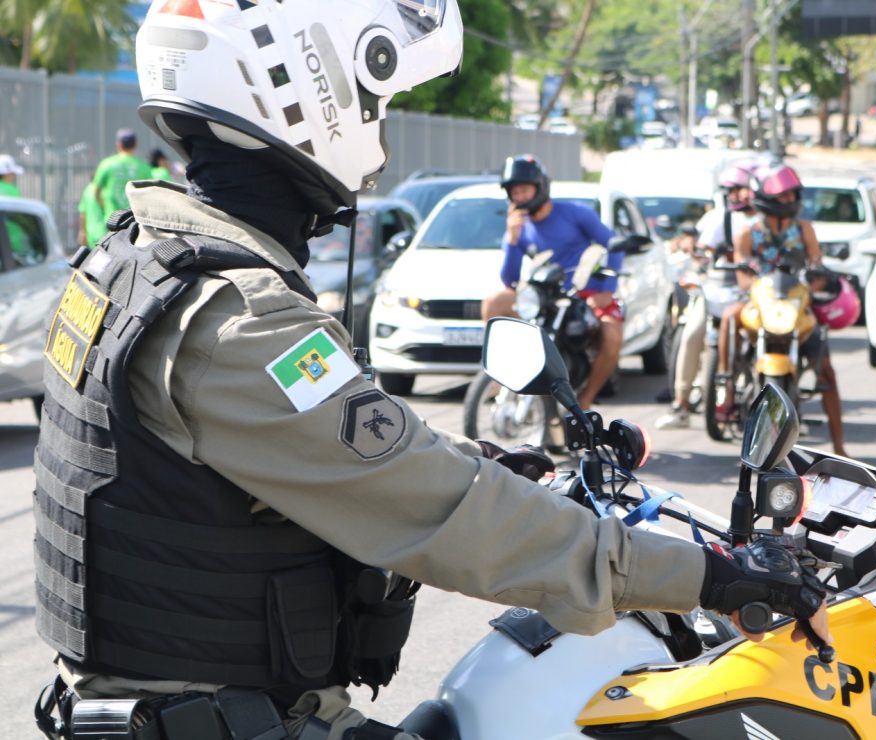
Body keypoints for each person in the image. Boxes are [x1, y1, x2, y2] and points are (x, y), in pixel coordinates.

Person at [31, 4, 832, 738]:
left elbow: (293, 458)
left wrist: (473, 459)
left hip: (155, 704)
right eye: (372, 101)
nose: (377, 127)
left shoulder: (129, 259)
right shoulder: (239, 323)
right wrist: (710, 575)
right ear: (308, 96)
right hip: (225, 718)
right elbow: (448, 515)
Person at [716, 165, 850, 457]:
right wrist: (757, 286)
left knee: (826, 368)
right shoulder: (747, 233)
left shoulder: (804, 229)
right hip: (760, 304)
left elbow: (816, 265)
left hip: (796, 306)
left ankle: (839, 444)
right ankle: (726, 387)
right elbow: (743, 276)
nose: (789, 201)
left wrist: (815, 278)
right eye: (784, 196)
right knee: (729, 317)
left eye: (792, 195)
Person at [482, 154, 623, 410]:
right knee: (493, 302)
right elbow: (510, 280)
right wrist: (513, 240)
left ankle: (585, 402)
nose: (520, 197)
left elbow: (613, 245)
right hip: (541, 297)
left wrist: (606, 289)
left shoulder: (576, 213)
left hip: (581, 293)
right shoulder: (517, 228)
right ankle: (500, 376)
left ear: (540, 187)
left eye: (524, 190)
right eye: (515, 192)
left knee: (612, 334)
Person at [657, 166, 757, 430]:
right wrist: (696, 250)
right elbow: (702, 251)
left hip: (755, 295)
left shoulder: (766, 222)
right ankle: (681, 404)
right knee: (692, 335)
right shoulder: (718, 218)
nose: (735, 196)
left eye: (740, 189)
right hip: (717, 289)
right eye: (730, 190)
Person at [92, 127, 152, 220]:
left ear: (119, 144)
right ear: (135, 145)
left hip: (112, 219)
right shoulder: (144, 167)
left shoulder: (106, 164)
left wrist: (104, 207)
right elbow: (150, 192)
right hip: (135, 220)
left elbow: (96, 192)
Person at [76, 179, 107, 249]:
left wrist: (82, 231)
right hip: (106, 232)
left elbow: (82, 214)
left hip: (91, 234)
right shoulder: (106, 189)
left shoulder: (87, 190)